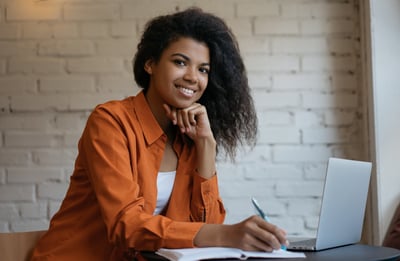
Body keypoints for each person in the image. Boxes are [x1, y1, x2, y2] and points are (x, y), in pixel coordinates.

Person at [31, 7, 288, 260]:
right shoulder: (110, 122)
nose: (192, 77)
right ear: (150, 63)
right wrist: (227, 234)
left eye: (203, 69)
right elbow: (126, 225)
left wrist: (206, 146)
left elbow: (204, 229)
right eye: (180, 62)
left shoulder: (189, 137)